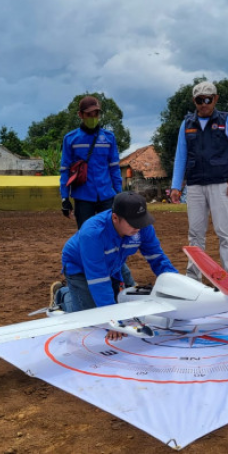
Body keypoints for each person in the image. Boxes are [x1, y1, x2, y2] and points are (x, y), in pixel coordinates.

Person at [51, 192, 178, 340]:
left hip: (114, 262)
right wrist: (112, 319)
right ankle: (63, 294)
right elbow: (98, 279)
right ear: (115, 218)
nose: (139, 226)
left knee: (127, 302)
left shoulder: (142, 226)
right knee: (92, 319)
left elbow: (158, 258)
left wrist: (177, 286)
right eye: (133, 222)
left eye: (141, 220)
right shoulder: (92, 233)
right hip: (80, 267)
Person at [169, 81, 228, 280]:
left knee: (224, 233)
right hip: (195, 185)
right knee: (195, 234)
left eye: (208, 99)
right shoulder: (186, 124)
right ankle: (194, 278)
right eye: (199, 100)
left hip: (220, 184)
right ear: (194, 101)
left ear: (215, 99)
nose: (204, 104)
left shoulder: (226, 121)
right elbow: (181, 156)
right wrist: (175, 186)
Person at [58, 95, 134, 285]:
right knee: (87, 236)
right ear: (80, 115)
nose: (93, 117)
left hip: (107, 196)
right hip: (83, 196)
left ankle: (115, 276)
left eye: (96, 113)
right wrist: (64, 198)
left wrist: (119, 194)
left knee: (113, 235)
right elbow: (65, 170)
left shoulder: (109, 138)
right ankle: (85, 277)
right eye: (89, 114)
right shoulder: (71, 139)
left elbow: (114, 168)